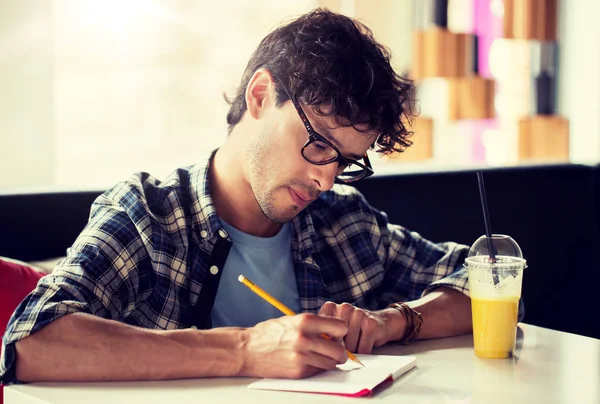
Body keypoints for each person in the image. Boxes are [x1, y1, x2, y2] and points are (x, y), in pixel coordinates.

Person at [0, 8, 474, 384]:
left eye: (345, 162)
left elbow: (487, 280)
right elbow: (32, 342)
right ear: (262, 94)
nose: (326, 179)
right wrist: (245, 350)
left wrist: (397, 321)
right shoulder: (150, 217)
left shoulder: (343, 222)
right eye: (318, 144)